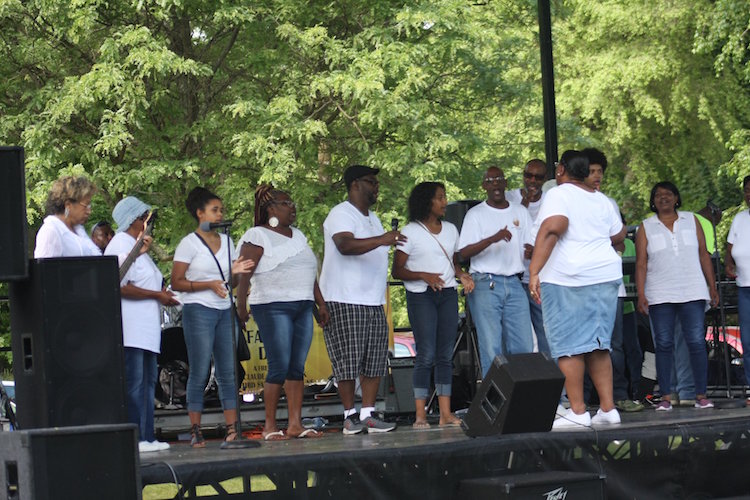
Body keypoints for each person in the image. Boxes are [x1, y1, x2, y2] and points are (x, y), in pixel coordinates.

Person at [529, 150, 626, 429]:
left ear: (561, 170)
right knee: (598, 345)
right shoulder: (601, 199)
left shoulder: (560, 194)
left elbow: (553, 228)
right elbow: (618, 234)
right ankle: (608, 409)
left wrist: (534, 271)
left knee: (569, 347)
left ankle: (579, 411)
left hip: (569, 277)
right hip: (604, 275)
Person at [235, 185, 330, 440]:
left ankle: (295, 425)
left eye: (292, 203)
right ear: (271, 208)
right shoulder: (257, 235)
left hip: (302, 305)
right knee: (279, 365)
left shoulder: (298, 235)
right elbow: (244, 273)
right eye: (286, 203)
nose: (293, 207)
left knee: (297, 367)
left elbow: (310, 273)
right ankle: (269, 426)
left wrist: (320, 303)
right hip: (272, 305)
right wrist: (241, 304)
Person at [319, 165, 402, 435]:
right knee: (347, 361)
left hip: (373, 300)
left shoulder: (373, 217)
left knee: (375, 359)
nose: (376, 186)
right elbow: (345, 246)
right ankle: (348, 416)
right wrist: (383, 240)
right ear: (355, 184)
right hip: (344, 298)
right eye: (371, 182)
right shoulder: (341, 213)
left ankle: (368, 414)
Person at [170, 187, 255, 447]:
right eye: (214, 210)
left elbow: (229, 281)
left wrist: (238, 273)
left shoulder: (227, 241)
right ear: (199, 213)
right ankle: (195, 429)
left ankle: (232, 429)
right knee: (200, 370)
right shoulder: (189, 244)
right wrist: (207, 285)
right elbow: (177, 282)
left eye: (221, 210)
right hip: (198, 310)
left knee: (228, 371)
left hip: (223, 309)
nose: (220, 215)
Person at [391, 182, 475, 428]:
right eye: (440, 198)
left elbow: (453, 263)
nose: (445, 202)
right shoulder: (410, 231)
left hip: (447, 293)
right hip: (421, 296)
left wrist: (462, 275)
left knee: (444, 355)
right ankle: (419, 415)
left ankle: (445, 414)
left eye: (445, 197)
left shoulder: (450, 229)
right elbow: (397, 270)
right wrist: (424, 276)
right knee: (426, 353)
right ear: (427, 201)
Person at [635, 181, 719, 411]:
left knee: (695, 342)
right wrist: (641, 293)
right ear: (653, 201)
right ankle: (665, 397)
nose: (663, 198)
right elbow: (641, 263)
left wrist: (712, 287)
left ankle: (701, 395)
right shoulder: (646, 226)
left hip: (692, 291)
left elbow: (704, 255)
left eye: (668, 194)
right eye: (659, 195)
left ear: (676, 198)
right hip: (660, 293)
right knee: (663, 344)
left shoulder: (691, 220)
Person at [105, 197, 179, 453]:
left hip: (147, 331)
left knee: (149, 385)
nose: (149, 223)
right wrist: (157, 296)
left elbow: (148, 282)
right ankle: (135, 439)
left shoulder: (140, 246)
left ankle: (147, 437)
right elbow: (119, 286)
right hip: (131, 330)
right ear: (135, 220)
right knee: (135, 385)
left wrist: (164, 294)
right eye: (145, 217)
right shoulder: (120, 245)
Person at [582, 148, 643, 413]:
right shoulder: (572, 202)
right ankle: (580, 400)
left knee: (614, 343)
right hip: (582, 284)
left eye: (600, 172)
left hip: (611, 285)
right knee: (581, 342)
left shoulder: (609, 203)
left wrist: (596, 242)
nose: (597, 176)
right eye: (592, 171)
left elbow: (619, 239)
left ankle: (619, 395)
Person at [458, 166, 534, 377]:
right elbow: (463, 253)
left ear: (506, 183)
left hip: (515, 282)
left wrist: (531, 250)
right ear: (484, 186)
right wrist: (493, 238)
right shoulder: (476, 214)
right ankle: (496, 404)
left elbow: (531, 245)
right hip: (485, 283)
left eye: (499, 179)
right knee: (492, 347)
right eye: (490, 180)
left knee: (523, 344)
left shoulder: (520, 211)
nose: (495, 184)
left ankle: (524, 397)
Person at [507, 159, 549, 355]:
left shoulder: (550, 200)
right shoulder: (509, 197)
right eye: (528, 175)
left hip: (540, 277)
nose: (532, 180)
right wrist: (525, 202)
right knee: (518, 333)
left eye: (538, 177)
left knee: (544, 330)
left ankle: (552, 379)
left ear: (545, 179)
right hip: (513, 277)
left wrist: (539, 249)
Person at [725, 175, 750, 394]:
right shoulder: (740, 219)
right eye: (747, 190)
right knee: (748, 342)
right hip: (744, 287)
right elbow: (729, 246)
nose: (749, 194)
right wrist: (728, 263)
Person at [34, 176, 101, 258]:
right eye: (86, 205)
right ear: (68, 205)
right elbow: (45, 268)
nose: (89, 211)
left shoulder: (78, 229)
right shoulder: (51, 231)